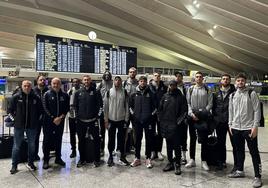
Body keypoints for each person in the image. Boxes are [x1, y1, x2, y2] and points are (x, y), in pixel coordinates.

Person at [228, 73, 262, 188]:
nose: (240, 82)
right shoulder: (232, 95)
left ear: (245, 82)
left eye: (242, 80)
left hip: (248, 128)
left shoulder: (251, 93)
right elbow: (231, 111)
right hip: (236, 128)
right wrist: (230, 125)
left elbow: (257, 111)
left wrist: (255, 126)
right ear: (235, 82)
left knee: (254, 152)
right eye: (238, 81)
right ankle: (240, 171)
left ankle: (258, 176)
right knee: (239, 150)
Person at [9, 80, 42, 174]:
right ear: (22, 86)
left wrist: (36, 121)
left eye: (28, 86)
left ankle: (31, 163)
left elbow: (40, 111)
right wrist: (15, 120)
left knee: (32, 145)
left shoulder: (36, 97)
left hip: (32, 126)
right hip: (19, 126)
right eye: (25, 86)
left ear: (31, 87)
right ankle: (14, 165)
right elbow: (9, 111)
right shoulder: (16, 97)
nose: (27, 87)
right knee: (16, 146)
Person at [158, 80, 187, 175]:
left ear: (176, 86)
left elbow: (184, 112)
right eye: (170, 85)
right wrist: (161, 121)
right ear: (169, 86)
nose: (172, 87)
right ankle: (170, 162)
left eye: (174, 85)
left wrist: (178, 123)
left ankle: (177, 164)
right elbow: (160, 110)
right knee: (169, 146)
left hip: (176, 127)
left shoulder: (181, 97)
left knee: (177, 146)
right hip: (166, 126)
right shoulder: (165, 96)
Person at [185, 71, 212, 171]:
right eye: (197, 77)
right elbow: (187, 103)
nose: (199, 78)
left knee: (204, 139)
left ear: (203, 78)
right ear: (195, 78)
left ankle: (204, 161)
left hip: (203, 117)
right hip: (192, 117)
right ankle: (192, 159)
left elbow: (210, 104)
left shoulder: (207, 89)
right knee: (192, 138)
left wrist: (203, 112)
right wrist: (191, 114)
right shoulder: (191, 89)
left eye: (200, 77)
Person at [74, 75, 103, 168]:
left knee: (96, 141)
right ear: (82, 81)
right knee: (81, 141)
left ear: (90, 81)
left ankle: (97, 159)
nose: (86, 81)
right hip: (81, 122)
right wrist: (77, 117)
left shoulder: (96, 92)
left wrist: (97, 116)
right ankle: (82, 159)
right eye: (85, 80)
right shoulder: (78, 92)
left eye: (88, 80)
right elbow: (75, 106)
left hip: (93, 121)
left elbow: (100, 106)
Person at [129, 76, 157, 168]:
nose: (142, 83)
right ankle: (137, 158)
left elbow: (155, 107)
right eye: (141, 81)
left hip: (148, 121)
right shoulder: (134, 94)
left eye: (144, 81)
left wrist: (150, 116)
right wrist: (134, 116)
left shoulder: (151, 93)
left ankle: (148, 158)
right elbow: (130, 106)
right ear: (139, 82)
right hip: (137, 121)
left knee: (149, 139)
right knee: (137, 140)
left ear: (146, 83)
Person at [42, 78, 70, 169]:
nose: (55, 85)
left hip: (60, 122)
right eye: (54, 83)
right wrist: (53, 118)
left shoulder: (65, 95)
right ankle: (46, 160)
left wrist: (60, 118)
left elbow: (66, 108)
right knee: (47, 141)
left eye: (57, 83)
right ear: (51, 84)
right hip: (48, 122)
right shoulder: (47, 94)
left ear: (60, 84)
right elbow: (45, 107)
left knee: (58, 140)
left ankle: (58, 158)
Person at [104, 76, 130, 166]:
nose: (117, 81)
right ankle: (110, 156)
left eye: (119, 80)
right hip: (111, 120)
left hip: (121, 120)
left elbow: (127, 106)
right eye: (116, 80)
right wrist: (106, 120)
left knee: (122, 139)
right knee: (111, 139)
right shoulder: (109, 92)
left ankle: (122, 156)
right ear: (113, 81)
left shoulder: (124, 92)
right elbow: (105, 107)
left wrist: (126, 119)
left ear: (121, 82)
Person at [212, 74, 236, 170]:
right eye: (224, 79)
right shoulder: (216, 93)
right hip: (220, 122)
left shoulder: (234, 92)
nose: (225, 80)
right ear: (221, 81)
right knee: (221, 143)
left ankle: (237, 165)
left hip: (232, 122)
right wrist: (215, 119)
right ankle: (221, 162)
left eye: (227, 79)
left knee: (235, 144)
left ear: (230, 81)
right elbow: (213, 107)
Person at [149, 71, 167, 161]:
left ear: (160, 77)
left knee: (160, 133)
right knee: (151, 132)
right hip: (151, 113)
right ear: (153, 77)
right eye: (155, 76)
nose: (157, 77)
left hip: (161, 114)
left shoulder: (164, 87)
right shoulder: (149, 87)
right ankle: (152, 151)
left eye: (158, 76)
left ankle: (159, 151)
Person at [96, 70, 113, 156]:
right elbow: (96, 94)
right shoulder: (100, 84)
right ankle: (101, 148)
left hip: (111, 110)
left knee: (111, 131)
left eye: (108, 75)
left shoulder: (113, 84)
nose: (106, 76)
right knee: (102, 131)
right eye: (105, 75)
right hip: (102, 110)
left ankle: (111, 149)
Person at [33, 75, 49, 161]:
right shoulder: (33, 91)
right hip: (36, 119)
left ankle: (46, 155)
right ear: (37, 81)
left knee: (47, 137)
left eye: (44, 80)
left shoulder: (49, 91)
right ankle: (35, 154)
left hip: (47, 118)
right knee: (36, 137)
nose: (42, 81)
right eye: (41, 80)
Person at [123, 67, 139, 152]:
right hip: (125, 110)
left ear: (136, 73)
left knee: (136, 131)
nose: (132, 73)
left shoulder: (138, 83)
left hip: (135, 111)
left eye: (133, 72)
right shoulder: (124, 83)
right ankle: (123, 149)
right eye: (130, 72)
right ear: (128, 73)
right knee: (124, 130)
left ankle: (136, 148)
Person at [174, 71, 188, 165]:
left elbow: (188, 102)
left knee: (183, 137)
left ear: (182, 78)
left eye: (180, 76)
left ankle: (184, 156)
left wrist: (185, 116)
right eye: (176, 76)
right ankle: (176, 155)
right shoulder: (170, 88)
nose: (178, 78)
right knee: (175, 137)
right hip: (173, 118)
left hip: (183, 117)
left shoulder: (185, 88)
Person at [67, 78, 80, 158]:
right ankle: (73, 150)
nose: (75, 83)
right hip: (71, 114)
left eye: (77, 82)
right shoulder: (70, 91)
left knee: (80, 134)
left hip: (80, 115)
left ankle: (81, 149)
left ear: (79, 83)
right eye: (74, 82)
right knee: (72, 134)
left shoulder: (82, 90)